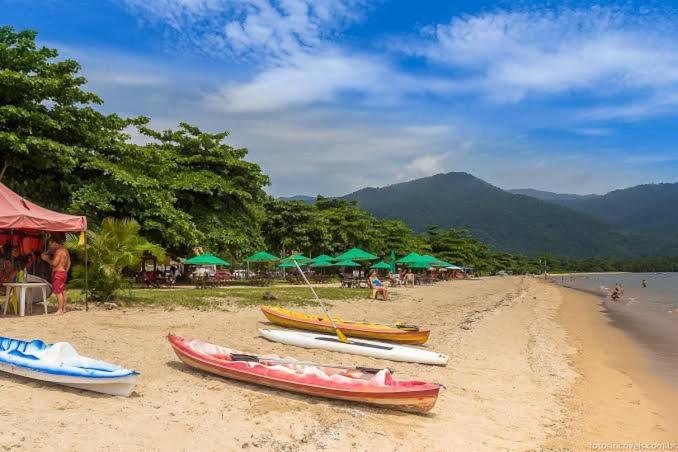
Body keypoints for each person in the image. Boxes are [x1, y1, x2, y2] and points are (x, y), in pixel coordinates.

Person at [41, 233, 70, 315]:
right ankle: (63, 308)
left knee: (58, 291)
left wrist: (46, 259)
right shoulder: (65, 250)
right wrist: (65, 271)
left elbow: (54, 263)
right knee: (63, 290)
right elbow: (68, 263)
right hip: (63, 272)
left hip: (58, 273)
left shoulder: (58, 251)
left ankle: (60, 310)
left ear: (55, 242)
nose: (50, 246)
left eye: (50, 244)